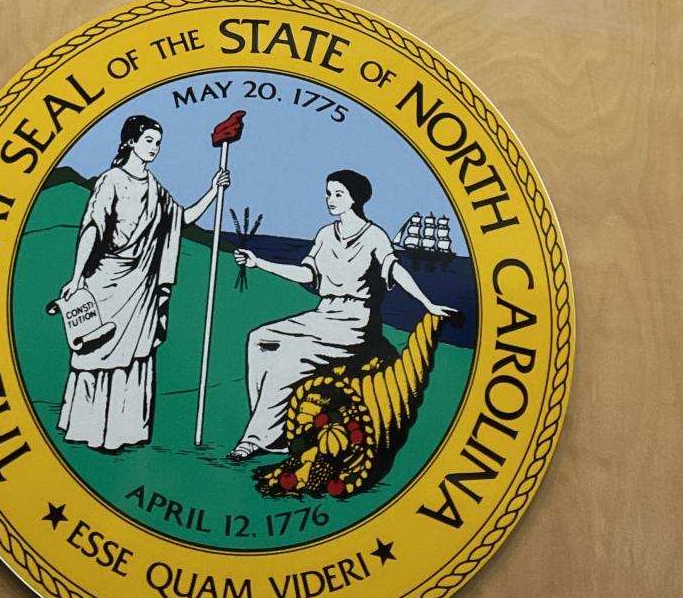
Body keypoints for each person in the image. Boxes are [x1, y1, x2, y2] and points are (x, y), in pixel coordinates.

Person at [229, 169, 455, 460]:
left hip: (355, 323)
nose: (330, 200)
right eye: (328, 193)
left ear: (355, 198)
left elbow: (395, 270)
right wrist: (259, 262)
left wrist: (427, 303)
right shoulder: (326, 234)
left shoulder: (374, 236)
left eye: (338, 194)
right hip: (324, 314)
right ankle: (274, 431)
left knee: (289, 360)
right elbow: (307, 274)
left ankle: (255, 439)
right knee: (259, 339)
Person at [57, 114, 229, 451]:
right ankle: (89, 427)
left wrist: (213, 191)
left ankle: (123, 430)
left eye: (158, 143)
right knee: (97, 352)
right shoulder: (111, 181)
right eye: (149, 140)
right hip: (106, 281)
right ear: (130, 142)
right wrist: (76, 277)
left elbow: (181, 219)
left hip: (141, 287)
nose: (154, 148)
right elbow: (93, 227)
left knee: (135, 355)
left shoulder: (155, 189)